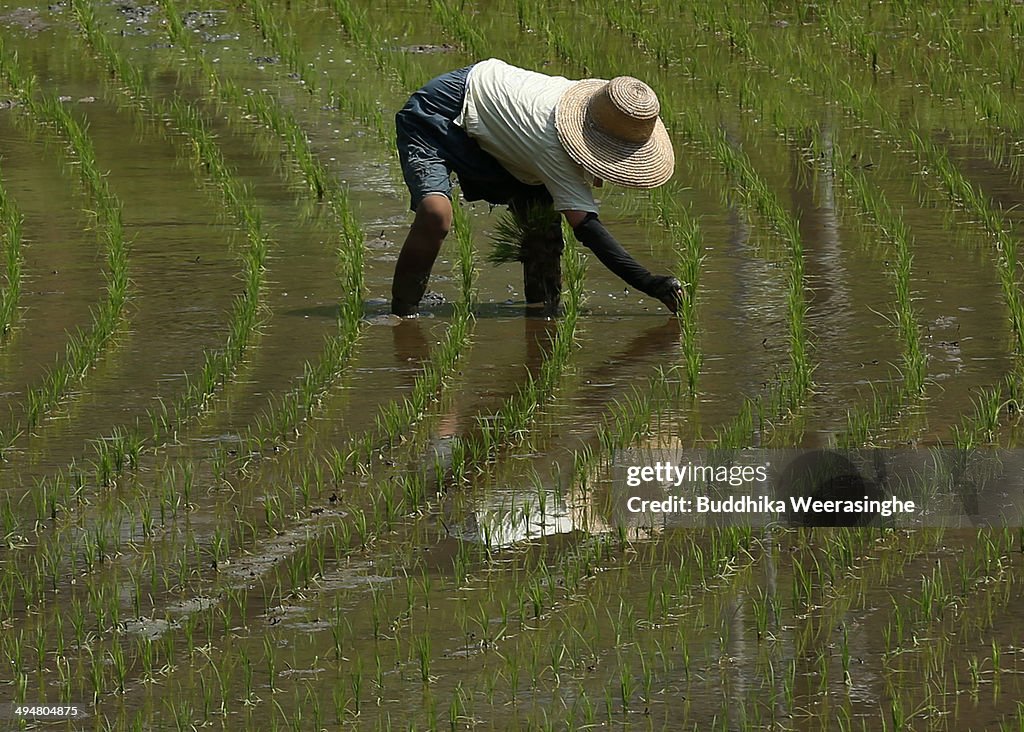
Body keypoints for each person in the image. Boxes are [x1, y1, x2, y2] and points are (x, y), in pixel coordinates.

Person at [391, 58, 684, 316]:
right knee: (435, 214)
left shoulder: (597, 112)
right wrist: (648, 282)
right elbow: (587, 229)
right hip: (440, 110)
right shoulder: (552, 145)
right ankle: (403, 314)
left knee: (542, 230)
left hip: (502, 128)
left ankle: (543, 314)